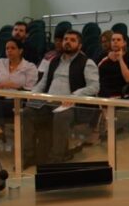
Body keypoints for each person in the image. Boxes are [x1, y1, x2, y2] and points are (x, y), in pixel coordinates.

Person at [22, 30, 99, 166]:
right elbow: (42, 83)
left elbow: (94, 87)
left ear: (80, 45)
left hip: (71, 104)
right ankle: (29, 155)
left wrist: (74, 96)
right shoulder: (54, 61)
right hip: (48, 101)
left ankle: (55, 159)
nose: (67, 42)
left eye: (72, 40)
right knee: (27, 112)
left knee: (61, 117)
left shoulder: (87, 62)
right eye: (66, 39)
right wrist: (32, 94)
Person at [0, 38, 38, 145]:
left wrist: (14, 86)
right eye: (7, 48)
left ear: (20, 51)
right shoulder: (0, 62)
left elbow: (31, 89)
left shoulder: (30, 67)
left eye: (13, 48)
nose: (9, 51)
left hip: (17, 101)